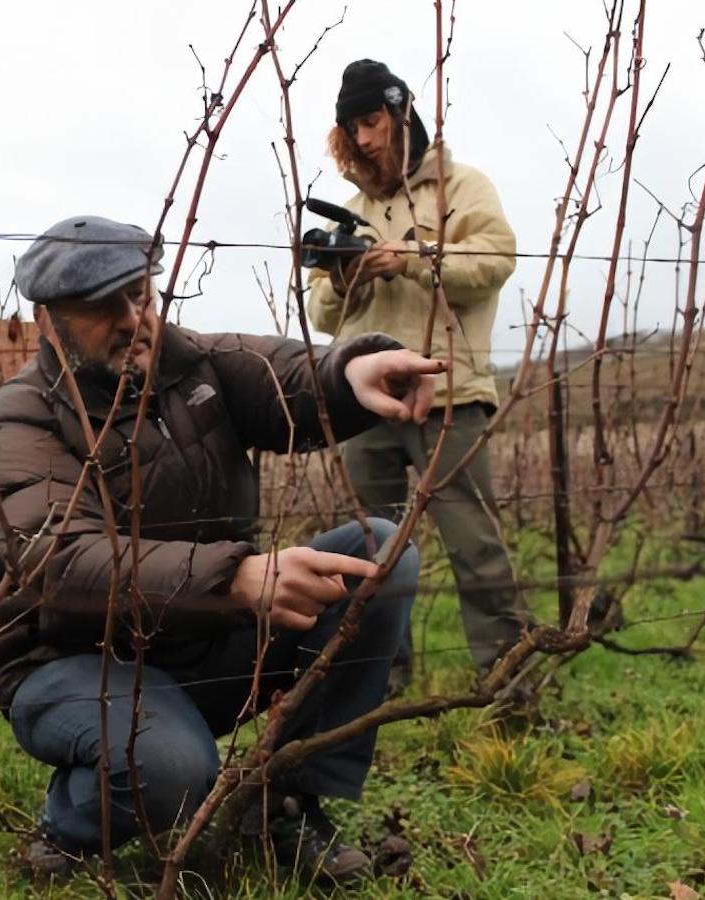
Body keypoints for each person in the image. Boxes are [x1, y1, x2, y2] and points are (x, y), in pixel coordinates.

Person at [0, 215, 442, 881]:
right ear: (48, 322)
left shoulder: (189, 364)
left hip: (203, 646)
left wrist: (354, 370)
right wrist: (238, 578)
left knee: (380, 554)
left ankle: (285, 800)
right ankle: (72, 820)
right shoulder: (20, 418)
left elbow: (291, 377)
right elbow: (59, 559)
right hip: (78, 667)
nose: (134, 318)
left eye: (141, 293)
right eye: (103, 307)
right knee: (173, 769)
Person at [307, 59, 529, 690]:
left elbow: (494, 261)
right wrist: (348, 273)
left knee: (475, 544)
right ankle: (380, 676)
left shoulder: (463, 188)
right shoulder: (348, 211)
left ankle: (508, 676)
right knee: (373, 551)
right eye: (353, 129)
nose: (366, 140)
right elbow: (320, 311)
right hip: (367, 406)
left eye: (373, 121)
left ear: (402, 115)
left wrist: (408, 257)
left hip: (451, 394)